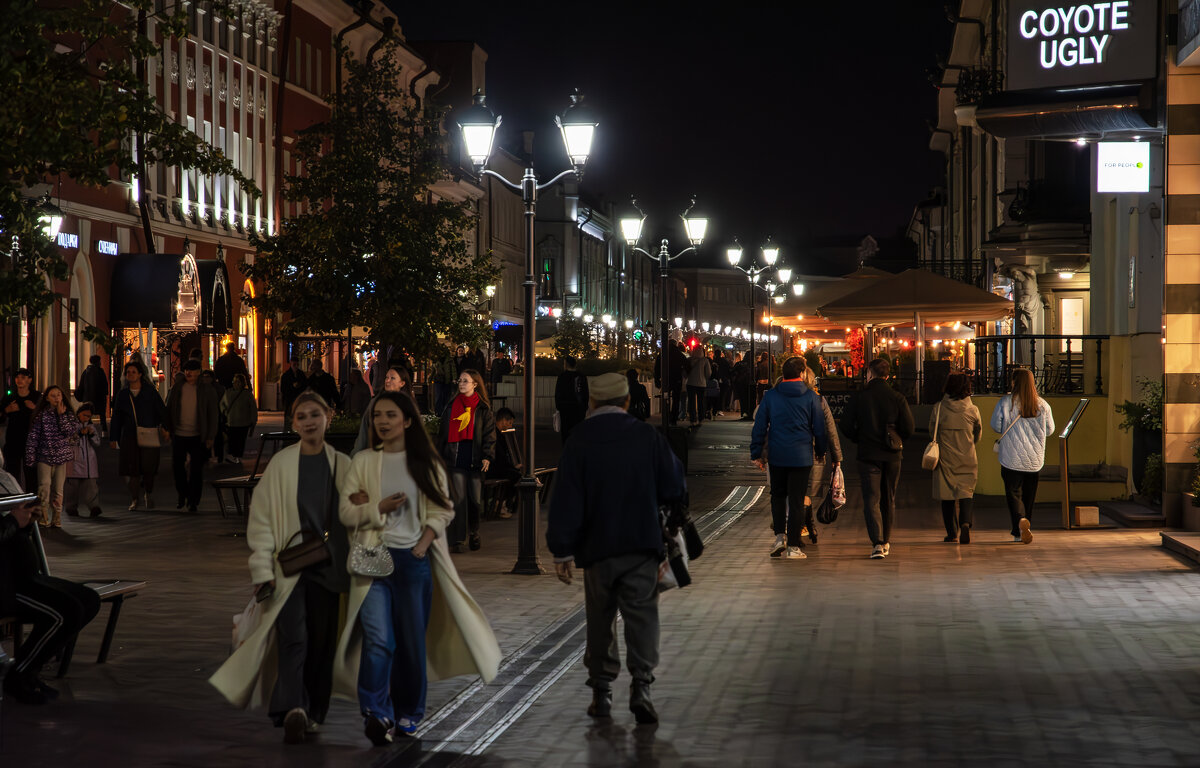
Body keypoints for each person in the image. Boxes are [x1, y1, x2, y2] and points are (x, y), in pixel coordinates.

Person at [335, 390, 500, 745]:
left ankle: (409, 711)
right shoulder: (363, 461)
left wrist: (422, 546)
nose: (382, 421)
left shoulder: (425, 463)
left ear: (407, 420)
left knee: (411, 644)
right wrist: (376, 506)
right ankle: (376, 712)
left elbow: (443, 509)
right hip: (371, 562)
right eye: (377, 415)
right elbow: (346, 512)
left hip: (412, 563)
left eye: (391, 415)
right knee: (379, 640)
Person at [209, 391, 351, 743]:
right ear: (293, 422)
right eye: (301, 416)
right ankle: (292, 708)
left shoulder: (343, 466)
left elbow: (355, 517)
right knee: (294, 638)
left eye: (315, 415)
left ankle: (315, 710)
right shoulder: (282, 465)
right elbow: (262, 520)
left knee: (321, 643)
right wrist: (261, 569)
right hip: (289, 566)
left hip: (330, 568)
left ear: (328, 417)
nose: (308, 422)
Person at [546, 372, 687, 724]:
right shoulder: (646, 436)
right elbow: (674, 484)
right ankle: (641, 686)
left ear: (591, 402)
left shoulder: (579, 439)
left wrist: (561, 550)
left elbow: (565, 498)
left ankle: (601, 692)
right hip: (641, 544)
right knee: (642, 617)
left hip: (597, 549)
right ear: (626, 401)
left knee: (600, 618)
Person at [0, 460, 100, 704]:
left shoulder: (4, 478)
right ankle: (20, 674)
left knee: (88, 599)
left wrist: (25, 519)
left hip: (24, 577)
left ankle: (28, 670)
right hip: (7, 586)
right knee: (65, 612)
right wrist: (14, 521)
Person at [750, 358, 828, 560]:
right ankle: (794, 546)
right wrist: (820, 450)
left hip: (777, 455)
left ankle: (779, 537)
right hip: (801, 456)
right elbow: (819, 428)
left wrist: (757, 453)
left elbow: (759, 426)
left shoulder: (771, 396)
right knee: (796, 500)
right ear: (802, 374)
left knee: (777, 496)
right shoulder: (811, 397)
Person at [840, 357, 914, 560]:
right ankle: (887, 540)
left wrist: (858, 437)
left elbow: (845, 425)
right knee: (888, 497)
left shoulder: (859, 397)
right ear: (887, 375)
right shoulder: (897, 398)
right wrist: (896, 438)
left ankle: (877, 543)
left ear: (869, 374)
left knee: (871, 499)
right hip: (892, 454)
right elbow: (909, 428)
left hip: (868, 453)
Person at [990, 368, 1054, 544]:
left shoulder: (1005, 402)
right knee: (1029, 495)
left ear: (1014, 382)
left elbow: (995, 425)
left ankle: (1019, 525)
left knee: (1013, 494)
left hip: (1011, 457)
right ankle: (1027, 526)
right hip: (1034, 459)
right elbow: (1050, 430)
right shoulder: (1042, 405)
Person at [437, 369, 495, 552]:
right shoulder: (451, 405)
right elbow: (443, 434)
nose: (461, 384)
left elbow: (489, 435)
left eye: (465, 381)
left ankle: (474, 532)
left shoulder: (483, 409)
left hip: (475, 459)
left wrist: (487, 455)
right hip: (455, 458)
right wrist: (439, 456)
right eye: (460, 381)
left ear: (475, 384)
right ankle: (457, 539)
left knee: (475, 500)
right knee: (458, 499)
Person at [927, 373, 983, 544]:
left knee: (947, 496)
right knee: (966, 493)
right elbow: (978, 434)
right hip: (967, 457)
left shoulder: (939, 408)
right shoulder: (973, 410)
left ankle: (952, 533)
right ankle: (965, 522)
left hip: (945, 457)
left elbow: (932, 432)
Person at [110, 359, 167, 510]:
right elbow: (116, 417)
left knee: (148, 469)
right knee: (131, 469)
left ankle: (148, 493)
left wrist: (165, 427)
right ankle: (134, 498)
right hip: (129, 436)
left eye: (133, 372)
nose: (130, 375)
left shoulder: (150, 393)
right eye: (128, 372)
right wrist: (113, 437)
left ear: (140, 374)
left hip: (148, 434)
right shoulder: (123, 395)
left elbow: (161, 411)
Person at [164, 358, 219, 513]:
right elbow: (169, 408)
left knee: (196, 470)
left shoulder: (207, 390)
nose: (189, 373)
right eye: (187, 370)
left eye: (192, 370)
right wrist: (167, 428)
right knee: (177, 468)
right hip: (179, 434)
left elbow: (213, 414)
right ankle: (183, 494)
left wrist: (210, 436)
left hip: (197, 435)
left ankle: (193, 500)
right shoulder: (177, 388)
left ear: (198, 372)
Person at [24, 385, 78, 529]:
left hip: (61, 457)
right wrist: (30, 456)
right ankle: (43, 517)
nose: (56, 398)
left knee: (58, 488)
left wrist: (61, 416)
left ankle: (57, 517)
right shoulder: (41, 415)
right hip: (44, 456)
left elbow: (70, 432)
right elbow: (33, 436)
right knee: (44, 486)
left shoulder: (68, 415)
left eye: (58, 395)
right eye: (52, 395)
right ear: (46, 398)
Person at [801, 366, 842, 545]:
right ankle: (808, 527)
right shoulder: (819, 400)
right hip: (815, 453)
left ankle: (805, 527)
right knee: (807, 491)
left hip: (793, 452)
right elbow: (831, 430)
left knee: (801, 492)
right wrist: (837, 457)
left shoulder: (787, 399)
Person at [353, 366, 412, 455]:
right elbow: (364, 432)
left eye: (392, 378)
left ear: (402, 383)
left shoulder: (408, 405)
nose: (387, 381)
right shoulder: (375, 402)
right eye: (386, 377)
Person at [2, 368, 41, 490]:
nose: (20, 380)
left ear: (29, 380)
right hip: (13, 439)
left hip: (31, 440)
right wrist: (7, 410)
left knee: (31, 472)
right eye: (18, 377)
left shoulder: (36, 396)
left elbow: (46, 417)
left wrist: (34, 408)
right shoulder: (10, 397)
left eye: (23, 377)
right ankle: (14, 502)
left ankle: (32, 502)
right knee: (12, 471)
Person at [64, 401, 103, 519]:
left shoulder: (91, 426)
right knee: (72, 487)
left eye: (89, 416)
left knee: (91, 486)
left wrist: (91, 435)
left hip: (89, 462)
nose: (86, 418)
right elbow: (69, 441)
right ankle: (71, 507)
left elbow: (97, 442)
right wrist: (80, 434)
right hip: (75, 460)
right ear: (79, 413)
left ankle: (94, 506)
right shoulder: (71, 425)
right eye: (84, 415)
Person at [488, 407, 522, 519]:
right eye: (510, 423)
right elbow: (500, 458)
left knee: (515, 473)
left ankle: (503, 503)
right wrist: (513, 467)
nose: (510, 426)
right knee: (515, 475)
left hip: (496, 466)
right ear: (503, 421)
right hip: (492, 468)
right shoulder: (495, 435)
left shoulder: (498, 433)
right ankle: (501, 503)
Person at [221, 373, 259, 465]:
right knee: (232, 440)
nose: (236, 383)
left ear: (242, 383)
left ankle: (237, 456)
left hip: (243, 422)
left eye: (238, 381)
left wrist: (253, 420)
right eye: (234, 381)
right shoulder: (228, 392)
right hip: (231, 421)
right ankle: (232, 456)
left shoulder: (247, 394)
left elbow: (253, 408)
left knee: (240, 441)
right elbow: (222, 405)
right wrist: (225, 413)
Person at [555, 356, 588, 443]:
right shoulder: (581, 376)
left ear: (566, 364)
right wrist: (584, 407)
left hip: (565, 408)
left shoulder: (562, 376)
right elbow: (585, 393)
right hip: (579, 408)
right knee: (578, 432)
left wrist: (559, 406)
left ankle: (567, 450)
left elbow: (558, 393)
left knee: (566, 431)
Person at [75, 354, 109, 436]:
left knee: (88, 414)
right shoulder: (100, 372)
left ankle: (87, 430)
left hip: (88, 398)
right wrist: (105, 394)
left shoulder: (86, 372)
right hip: (100, 398)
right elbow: (105, 385)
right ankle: (104, 431)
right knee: (102, 415)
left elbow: (81, 385)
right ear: (98, 362)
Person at [685, 345, 711, 425]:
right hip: (701, 384)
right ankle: (701, 419)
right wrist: (705, 378)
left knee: (691, 402)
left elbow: (685, 373)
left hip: (690, 383)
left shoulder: (689, 359)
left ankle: (692, 420)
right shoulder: (705, 360)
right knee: (701, 402)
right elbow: (708, 373)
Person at [280, 356, 307, 429]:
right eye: (294, 364)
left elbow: (305, 386)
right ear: (291, 363)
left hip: (298, 401)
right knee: (289, 420)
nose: (296, 366)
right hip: (290, 401)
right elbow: (283, 389)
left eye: (297, 365)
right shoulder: (286, 375)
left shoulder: (301, 374)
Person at [732, 352, 753, 420]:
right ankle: (749, 413)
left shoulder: (739, 363)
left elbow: (732, 371)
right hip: (749, 384)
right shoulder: (752, 364)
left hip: (740, 384)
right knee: (749, 398)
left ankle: (743, 413)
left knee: (742, 399)